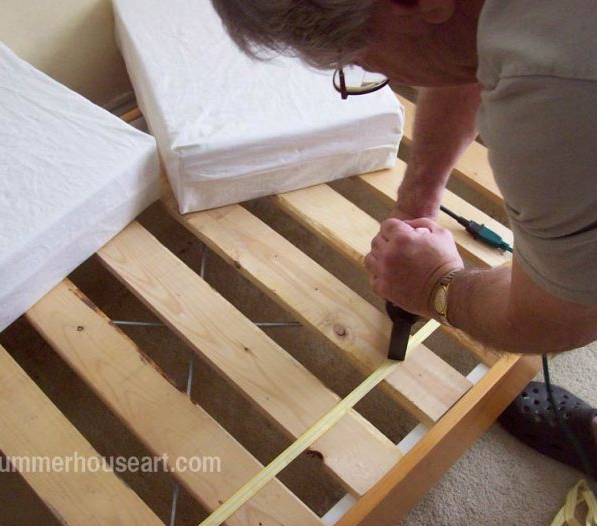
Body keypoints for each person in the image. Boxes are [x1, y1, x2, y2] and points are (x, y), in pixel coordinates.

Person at [211, 0, 597, 478]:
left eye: (361, 61)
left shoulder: (560, 102)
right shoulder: (490, 20)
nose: (365, 68)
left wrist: (437, 285)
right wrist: (418, 198)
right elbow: (462, 48)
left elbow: (556, 320)